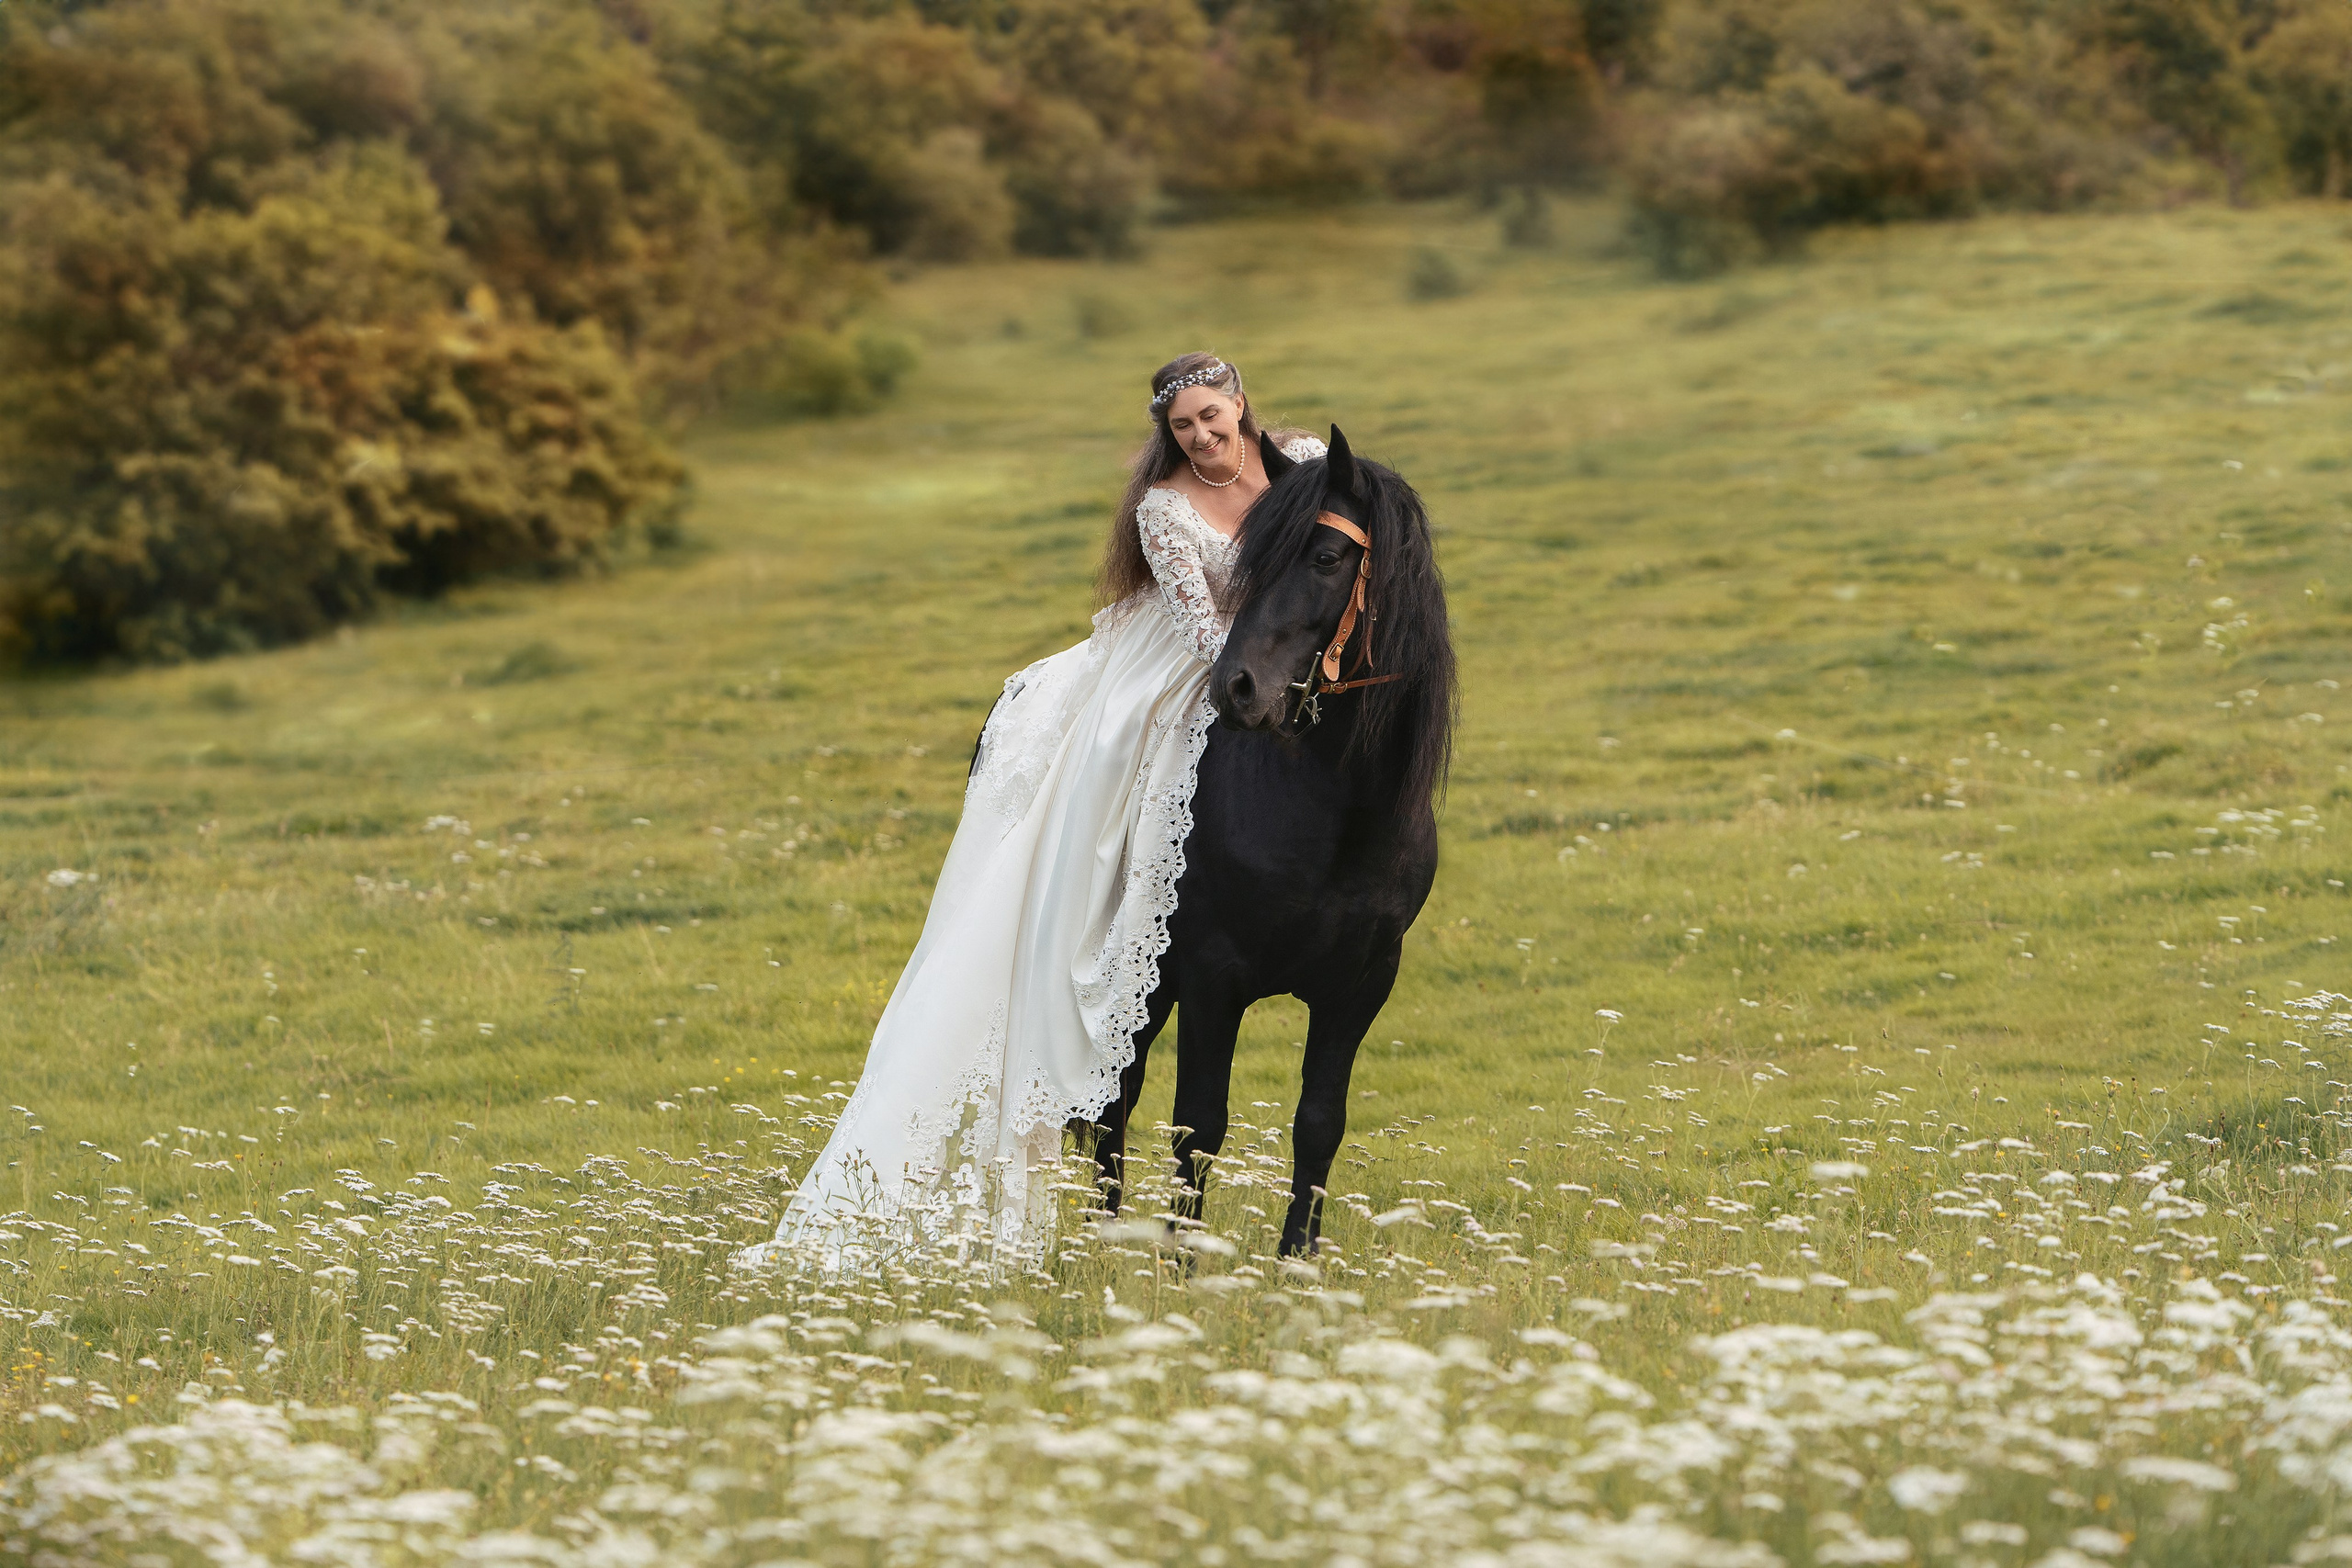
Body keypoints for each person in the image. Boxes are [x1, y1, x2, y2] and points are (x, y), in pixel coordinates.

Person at [740, 354, 1326, 1269]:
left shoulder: (1301, 459)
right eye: (1185, 428)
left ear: (1241, 405)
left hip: (1287, 643)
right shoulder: (1164, 510)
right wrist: (1278, 649)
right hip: (1187, 660)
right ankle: (1120, 910)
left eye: (1214, 417)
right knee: (1128, 770)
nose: (1204, 438)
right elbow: (1208, 632)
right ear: (1167, 436)